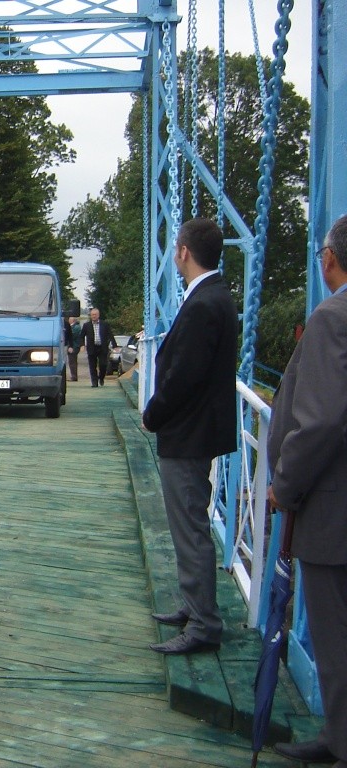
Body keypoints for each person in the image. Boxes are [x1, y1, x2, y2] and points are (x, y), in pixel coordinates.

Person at [265, 214, 347, 767]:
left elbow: (319, 422)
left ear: (330, 258)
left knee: (335, 638)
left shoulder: (332, 318)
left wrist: (284, 487)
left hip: (333, 512)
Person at [141, 218, 238, 655]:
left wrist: (153, 414)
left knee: (190, 529)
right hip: (199, 431)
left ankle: (203, 625)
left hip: (188, 434)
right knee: (190, 524)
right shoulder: (216, 296)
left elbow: (183, 376)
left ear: (183, 252)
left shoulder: (202, 304)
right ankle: (194, 606)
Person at [81, 308, 116, 386]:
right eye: (92, 315)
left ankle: (101, 377)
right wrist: (82, 345)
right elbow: (81, 336)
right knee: (92, 366)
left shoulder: (104, 324)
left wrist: (115, 345)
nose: (93, 316)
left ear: (98, 315)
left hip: (102, 347)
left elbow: (110, 334)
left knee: (103, 364)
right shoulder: (86, 325)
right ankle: (94, 382)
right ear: (90, 316)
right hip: (92, 347)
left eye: (95, 314)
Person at [63, 316, 82, 381]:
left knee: (72, 362)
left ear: (72, 320)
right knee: (71, 361)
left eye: (70, 319)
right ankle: (73, 376)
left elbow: (72, 335)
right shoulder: (73, 327)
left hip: (74, 346)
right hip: (72, 346)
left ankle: (74, 376)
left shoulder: (76, 327)